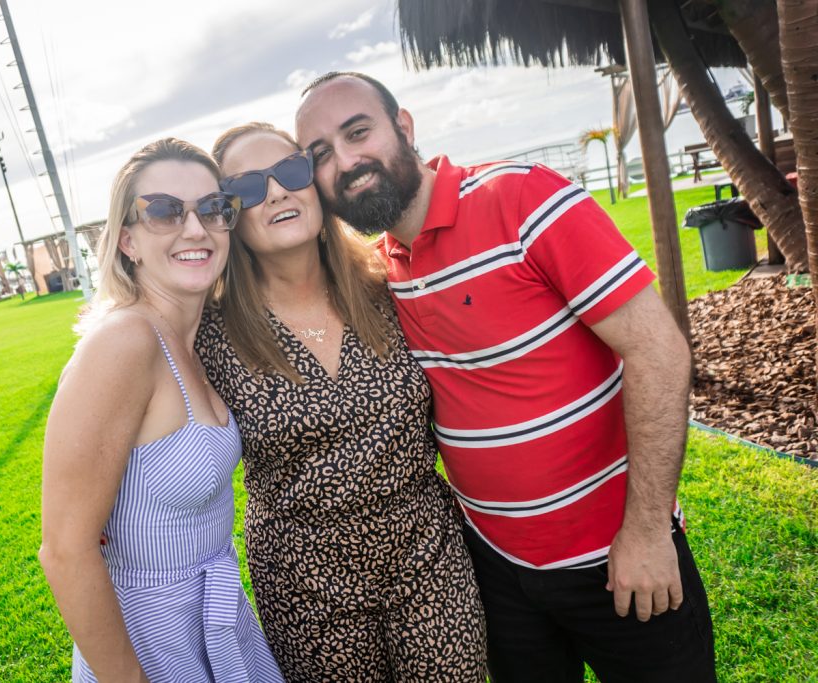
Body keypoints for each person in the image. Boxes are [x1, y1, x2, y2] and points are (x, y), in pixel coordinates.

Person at [295, 72, 716, 683]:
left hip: (616, 556)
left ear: (404, 128)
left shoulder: (524, 199)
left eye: (357, 132)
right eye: (321, 155)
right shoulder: (381, 269)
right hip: (496, 570)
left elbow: (660, 353)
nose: (346, 161)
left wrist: (648, 533)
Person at [197, 122, 486, 682]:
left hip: (427, 556)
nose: (277, 192)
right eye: (251, 187)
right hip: (304, 585)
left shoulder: (389, 284)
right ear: (228, 212)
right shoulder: (210, 331)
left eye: (290, 171)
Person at [40, 138, 283, 683]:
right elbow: (64, 550)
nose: (194, 229)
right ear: (127, 239)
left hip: (215, 623)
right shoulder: (124, 342)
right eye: (165, 211)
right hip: (150, 644)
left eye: (213, 208)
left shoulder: (190, 341)